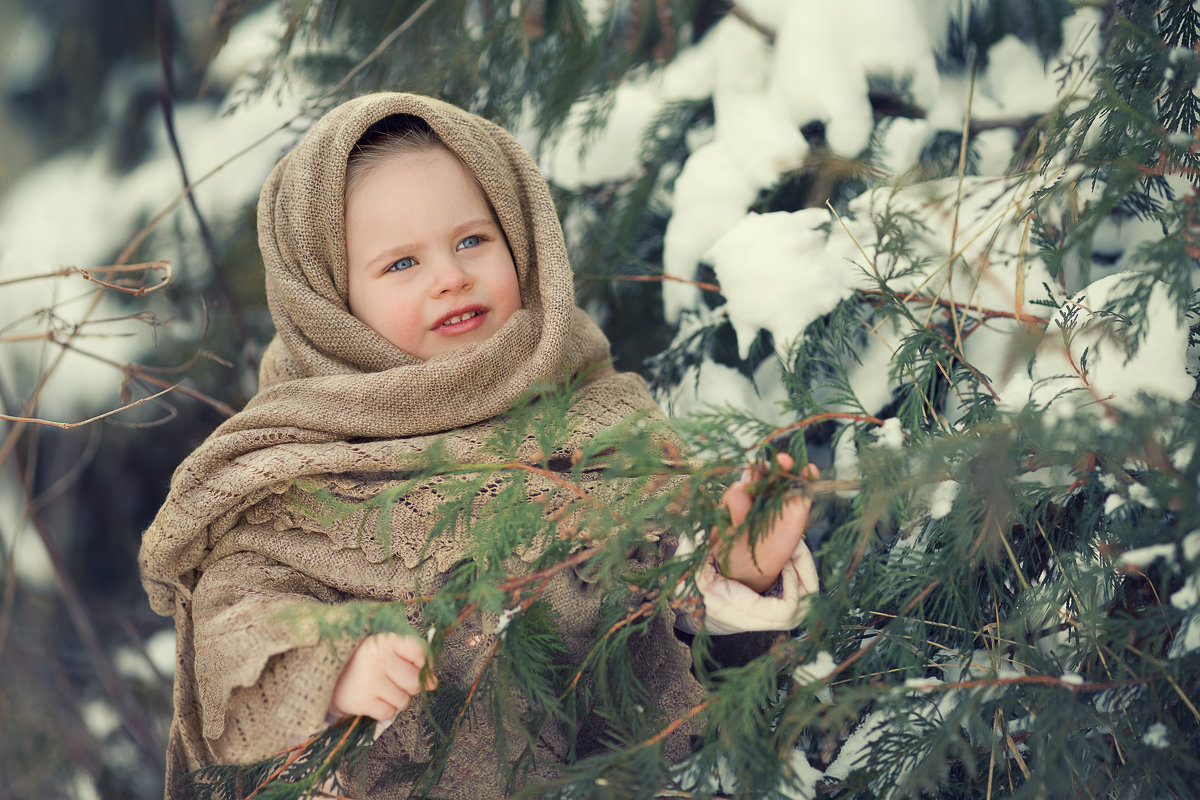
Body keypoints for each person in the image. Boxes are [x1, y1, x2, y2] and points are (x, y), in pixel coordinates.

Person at [139, 92, 820, 799]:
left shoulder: (602, 424)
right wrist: (330, 668)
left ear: (522, 242)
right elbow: (236, 619)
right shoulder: (291, 468)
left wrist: (736, 579)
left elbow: (684, 684)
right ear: (331, 305)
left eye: (471, 240)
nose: (450, 276)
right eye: (401, 263)